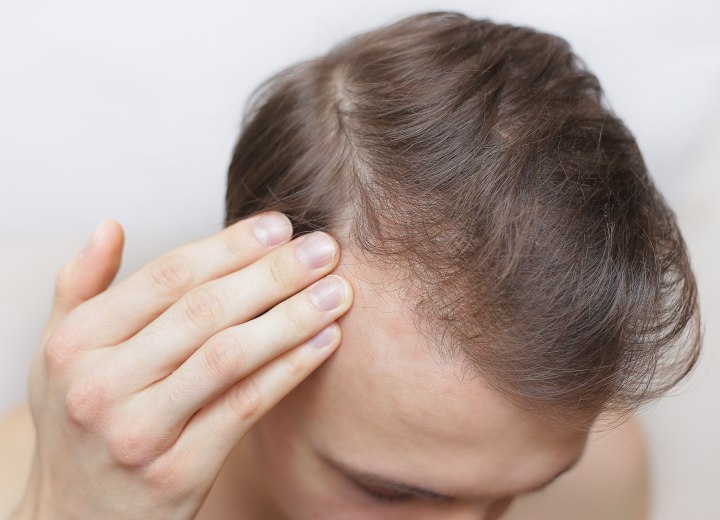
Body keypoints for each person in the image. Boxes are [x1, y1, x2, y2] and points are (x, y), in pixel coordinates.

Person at [0, 11, 701, 519]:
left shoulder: (600, 481)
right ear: (241, 335)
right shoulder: (34, 493)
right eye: (390, 492)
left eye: (520, 493)